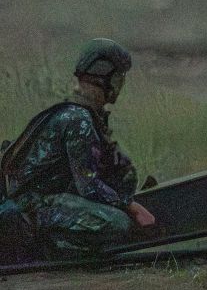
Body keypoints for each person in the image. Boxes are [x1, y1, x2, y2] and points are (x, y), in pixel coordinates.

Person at [0, 39, 156, 258]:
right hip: (33, 208)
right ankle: (47, 247)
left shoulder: (75, 113)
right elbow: (88, 187)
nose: (120, 86)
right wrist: (131, 207)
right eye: (119, 78)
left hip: (36, 201)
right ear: (106, 77)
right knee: (118, 223)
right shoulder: (78, 119)